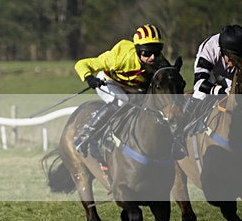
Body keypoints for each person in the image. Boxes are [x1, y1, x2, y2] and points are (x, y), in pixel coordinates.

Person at [72, 24, 171, 156]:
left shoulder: (159, 62)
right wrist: (89, 78)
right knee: (121, 101)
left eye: (157, 51)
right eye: (147, 52)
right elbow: (82, 64)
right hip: (109, 81)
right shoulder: (120, 57)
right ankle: (85, 137)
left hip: (133, 87)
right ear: (137, 50)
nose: (153, 57)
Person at [182, 24, 242, 124]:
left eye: (235, 60)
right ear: (223, 51)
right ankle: (183, 124)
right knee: (200, 94)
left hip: (231, 76)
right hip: (211, 74)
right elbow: (199, 84)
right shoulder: (210, 48)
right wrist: (222, 91)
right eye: (231, 59)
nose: (231, 64)